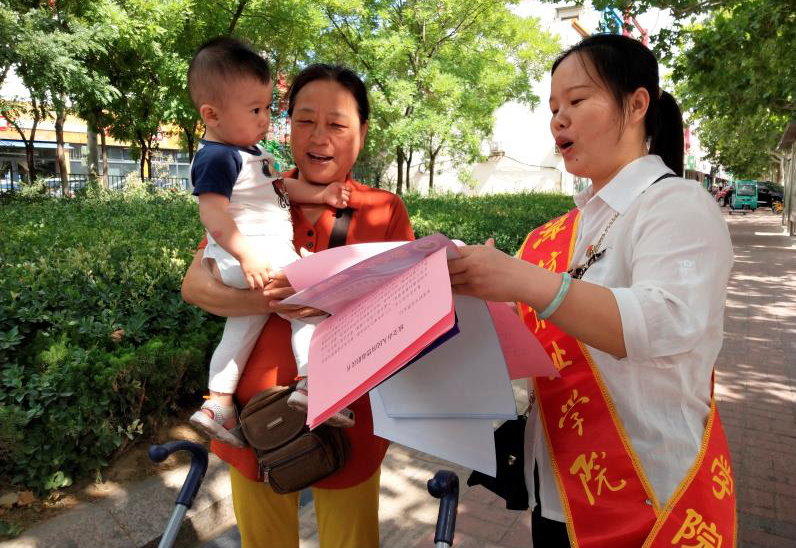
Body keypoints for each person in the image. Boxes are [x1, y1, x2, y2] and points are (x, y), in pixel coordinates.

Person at [448, 34, 736, 547]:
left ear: (637, 105)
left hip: (647, 494)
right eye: (553, 108)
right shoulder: (559, 232)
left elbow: (664, 320)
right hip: (557, 486)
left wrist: (522, 279)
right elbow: (534, 336)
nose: (559, 119)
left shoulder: (677, 204)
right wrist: (471, 293)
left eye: (577, 101)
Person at [181, 63, 415, 548]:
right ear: (287, 125)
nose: (319, 136)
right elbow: (196, 286)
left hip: (349, 424)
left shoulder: (383, 209)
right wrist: (273, 296)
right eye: (305, 120)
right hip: (256, 423)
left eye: (337, 124)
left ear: (362, 132)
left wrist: (326, 300)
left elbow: (406, 311)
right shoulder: (253, 190)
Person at [186, 38, 355, 446]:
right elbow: (212, 215)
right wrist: (247, 256)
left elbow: (279, 188)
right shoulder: (218, 157)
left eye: (267, 108)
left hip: (250, 256)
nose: (265, 119)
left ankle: (218, 403)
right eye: (255, 110)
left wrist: (322, 195)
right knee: (309, 304)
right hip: (253, 252)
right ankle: (314, 384)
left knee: (242, 326)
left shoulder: (247, 153)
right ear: (211, 114)